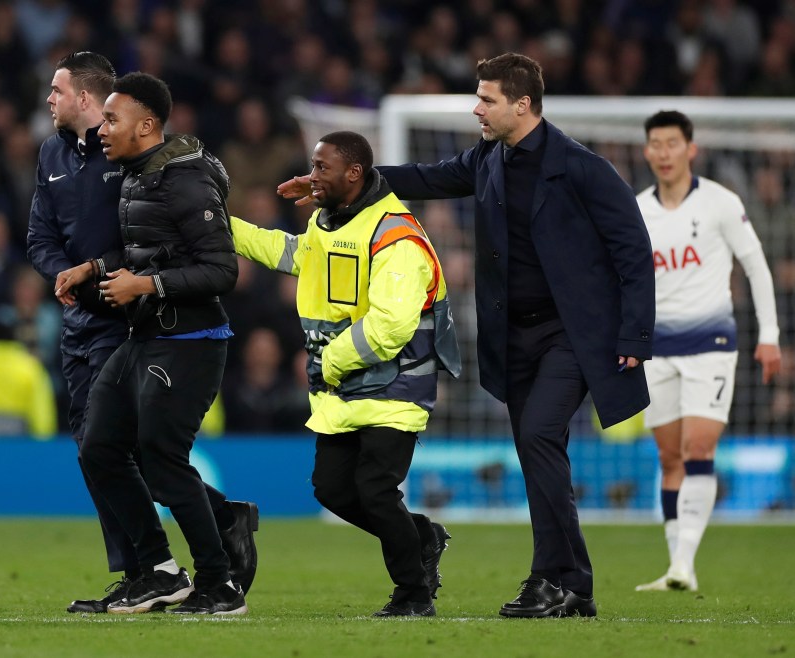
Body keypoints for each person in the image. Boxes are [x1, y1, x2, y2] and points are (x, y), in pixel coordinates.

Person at [278, 52, 656, 618]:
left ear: (522, 105)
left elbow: (633, 251)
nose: (476, 108)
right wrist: (344, 184)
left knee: (538, 439)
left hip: (571, 336)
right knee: (537, 452)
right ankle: (563, 582)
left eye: (487, 99)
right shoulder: (490, 158)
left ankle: (559, 579)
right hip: (516, 337)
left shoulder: (582, 168)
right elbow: (429, 178)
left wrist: (634, 336)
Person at [26, 53, 257, 614]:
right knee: (98, 448)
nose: (104, 130)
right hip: (141, 334)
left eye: (112, 120)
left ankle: (217, 580)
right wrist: (93, 270)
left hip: (187, 338)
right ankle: (158, 568)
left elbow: (222, 270)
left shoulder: (184, 179)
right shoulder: (134, 177)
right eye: (102, 120)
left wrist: (143, 285)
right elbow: (135, 253)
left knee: (157, 458)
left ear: (145, 125)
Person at [235, 130, 459, 617]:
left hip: (396, 384)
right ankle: (421, 536)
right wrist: (222, 229)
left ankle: (413, 595)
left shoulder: (396, 235)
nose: (311, 177)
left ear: (354, 173)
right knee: (333, 489)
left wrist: (327, 361)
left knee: (376, 491)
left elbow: (390, 327)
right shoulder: (331, 222)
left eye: (321, 168)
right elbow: (296, 255)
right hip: (350, 387)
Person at [633, 110, 781, 592]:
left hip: (711, 345)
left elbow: (756, 267)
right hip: (658, 349)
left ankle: (684, 563)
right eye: (655, 143)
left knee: (700, 447)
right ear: (647, 151)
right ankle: (678, 564)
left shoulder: (719, 202)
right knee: (670, 455)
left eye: (672, 143)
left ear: (690, 149)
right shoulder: (637, 210)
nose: (663, 152)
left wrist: (770, 335)